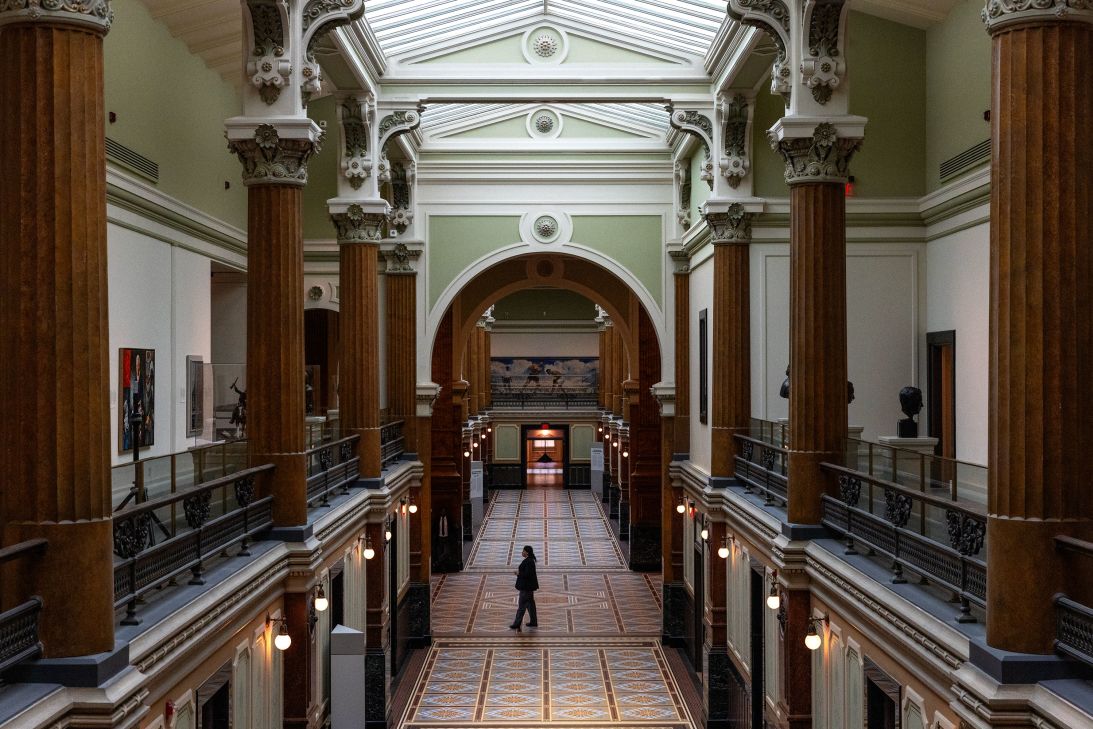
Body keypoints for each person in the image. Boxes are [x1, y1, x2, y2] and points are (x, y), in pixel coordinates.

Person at [509, 545, 539, 631]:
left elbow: (527, 574)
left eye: (523, 551)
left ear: (527, 552)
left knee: (522, 606)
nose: (522, 552)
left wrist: (518, 573)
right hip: (529, 587)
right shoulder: (529, 560)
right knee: (530, 605)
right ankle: (533, 621)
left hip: (526, 588)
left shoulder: (529, 561)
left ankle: (516, 624)